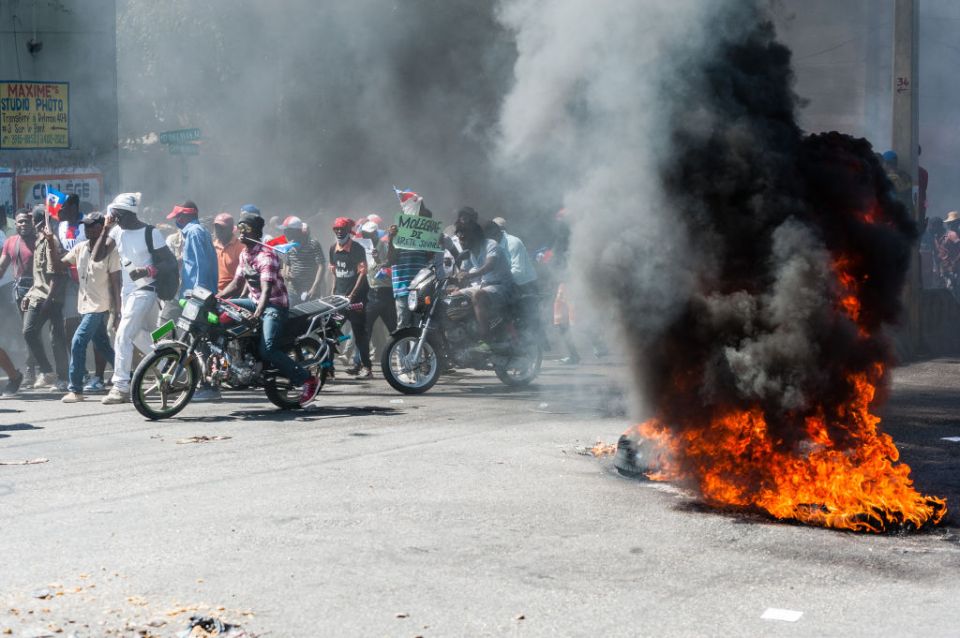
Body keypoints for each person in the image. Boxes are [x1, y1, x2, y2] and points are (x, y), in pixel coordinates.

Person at [217, 211, 320, 406]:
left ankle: (307, 379)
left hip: (273, 305)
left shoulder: (266, 257)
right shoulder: (245, 254)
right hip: (254, 301)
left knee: (268, 350)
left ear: (255, 233)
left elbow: (266, 291)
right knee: (219, 310)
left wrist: (257, 314)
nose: (240, 233)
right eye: (239, 229)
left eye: (244, 229)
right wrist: (216, 297)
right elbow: (236, 284)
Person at [93, 192, 166, 405]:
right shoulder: (116, 231)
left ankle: (121, 386)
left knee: (122, 335)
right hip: (128, 291)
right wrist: (105, 229)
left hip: (146, 289)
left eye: (116, 215)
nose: (114, 218)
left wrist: (147, 270)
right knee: (132, 335)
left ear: (129, 214)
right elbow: (98, 256)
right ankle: (167, 364)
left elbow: (169, 263)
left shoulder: (151, 233)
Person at [59, 212, 120, 403]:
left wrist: (118, 311)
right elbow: (59, 264)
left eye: (91, 225)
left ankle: (75, 389)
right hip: (85, 305)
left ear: (101, 227)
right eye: (85, 225)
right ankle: (130, 376)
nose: (86, 229)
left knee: (78, 342)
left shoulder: (110, 251)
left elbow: (116, 283)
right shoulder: (80, 248)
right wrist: (51, 241)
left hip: (99, 306)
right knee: (103, 345)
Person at [21, 207, 69, 390]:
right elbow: (39, 275)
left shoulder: (51, 241)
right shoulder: (39, 241)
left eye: (33, 219)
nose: (31, 223)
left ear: (39, 221)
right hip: (39, 294)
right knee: (31, 332)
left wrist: (49, 300)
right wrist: (29, 293)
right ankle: (48, 371)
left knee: (54, 337)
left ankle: (60, 377)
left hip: (49, 297)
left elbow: (57, 274)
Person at [384, 191, 437, 330]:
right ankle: (401, 352)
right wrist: (390, 239)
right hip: (403, 287)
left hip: (420, 286)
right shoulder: (396, 232)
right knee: (403, 326)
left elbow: (429, 257)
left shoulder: (425, 233)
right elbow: (391, 260)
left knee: (418, 326)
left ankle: (416, 352)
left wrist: (433, 240)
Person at [455, 220, 513, 342]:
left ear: (474, 236)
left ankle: (486, 338)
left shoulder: (491, 245)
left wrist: (470, 275)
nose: (461, 242)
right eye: (459, 238)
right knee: (455, 296)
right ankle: (465, 335)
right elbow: (462, 271)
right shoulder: (469, 252)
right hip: (485, 286)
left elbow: (489, 265)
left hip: (502, 287)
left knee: (478, 295)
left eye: (463, 238)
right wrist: (457, 280)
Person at [329, 217, 372, 377]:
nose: (339, 232)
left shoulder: (357, 249)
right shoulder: (333, 248)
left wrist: (353, 294)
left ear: (349, 231)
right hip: (340, 299)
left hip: (357, 301)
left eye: (342, 229)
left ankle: (366, 367)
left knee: (359, 332)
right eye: (336, 229)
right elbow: (334, 273)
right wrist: (333, 291)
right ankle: (328, 369)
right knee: (331, 332)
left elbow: (362, 273)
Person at [0, 208, 38, 386]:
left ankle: (27, 371)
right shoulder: (10, 241)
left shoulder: (40, 240)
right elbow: (2, 267)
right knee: (27, 331)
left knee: (31, 331)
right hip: (18, 290)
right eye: (20, 221)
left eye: (26, 221)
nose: (23, 224)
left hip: (38, 290)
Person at [360, 219, 396, 338]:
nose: (366, 237)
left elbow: (389, 266)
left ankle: (403, 354)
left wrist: (378, 261)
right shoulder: (365, 248)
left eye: (369, 234)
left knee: (394, 328)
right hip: (372, 292)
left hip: (386, 291)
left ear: (375, 234)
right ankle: (361, 357)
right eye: (365, 234)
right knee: (365, 328)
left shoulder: (385, 247)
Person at [279, 215, 326, 302]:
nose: (284, 233)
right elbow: (287, 263)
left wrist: (314, 287)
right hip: (292, 291)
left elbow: (321, 266)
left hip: (309, 291)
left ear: (296, 231)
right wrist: (286, 274)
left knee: (310, 315)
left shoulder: (313, 243)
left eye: (287, 230)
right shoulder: (289, 245)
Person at [213, 213, 244, 292]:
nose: (218, 230)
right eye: (217, 227)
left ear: (231, 229)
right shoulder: (212, 246)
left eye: (222, 228)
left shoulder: (240, 247)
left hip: (232, 293)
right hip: (213, 291)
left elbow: (242, 278)